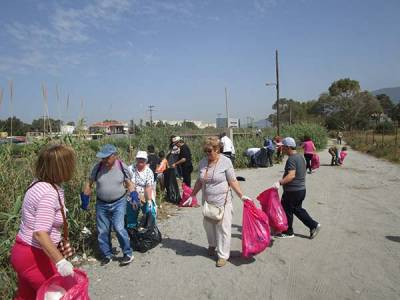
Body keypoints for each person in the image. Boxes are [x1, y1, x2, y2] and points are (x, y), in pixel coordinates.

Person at [11, 145, 76, 299]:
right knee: (60, 295)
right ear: (62, 167)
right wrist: (60, 262)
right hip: (35, 256)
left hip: (22, 251)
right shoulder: (48, 193)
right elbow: (40, 233)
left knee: (27, 297)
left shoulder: (37, 184)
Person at [189, 137, 250, 267]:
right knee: (208, 226)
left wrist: (241, 195)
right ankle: (212, 244)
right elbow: (200, 181)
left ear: (217, 149)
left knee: (223, 229)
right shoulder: (203, 162)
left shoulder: (226, 162)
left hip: (223, 202)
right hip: (208, 202)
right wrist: (192, 194)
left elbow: (233, 181)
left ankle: (223, 255)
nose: (207, 154)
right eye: (205, 151)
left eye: (209, 151)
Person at [82, 144, 134, 266]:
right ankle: (107, 254)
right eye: (102, 158)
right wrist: (85, 197)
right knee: (103, 230)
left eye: (106, 158)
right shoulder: (97, 167)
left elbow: (129, 183)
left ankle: (127, 253)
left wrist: (134, 194)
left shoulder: (122, 166)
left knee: (119, 227)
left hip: (119, 202)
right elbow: (89, 183)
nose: (104, 160)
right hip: (102, 204)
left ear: (115, 156)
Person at [272, 137, 321, 239]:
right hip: (300, 189)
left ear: (288, 147)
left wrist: (279, 183)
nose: (282, 149)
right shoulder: (300, 156)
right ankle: (309, 226)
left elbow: (291, 175)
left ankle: (292, 231)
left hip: (293, 191)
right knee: (295, 209)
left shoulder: (291, 159)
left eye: (283, 147)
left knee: (288, 210)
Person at [127, 151, 156, 229]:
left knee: (150, 213)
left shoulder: (149, 172)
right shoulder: (130, 169)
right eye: (139, 159)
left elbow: (148, 187)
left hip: (146, 194)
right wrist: (135, 195)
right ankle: (132, 233)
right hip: (132, 195)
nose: (141, 161)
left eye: (143, 159)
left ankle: (149, 231)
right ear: (136, 159)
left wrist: (148, 200)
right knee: (131, 217)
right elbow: (127, 182)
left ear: (146, 160)